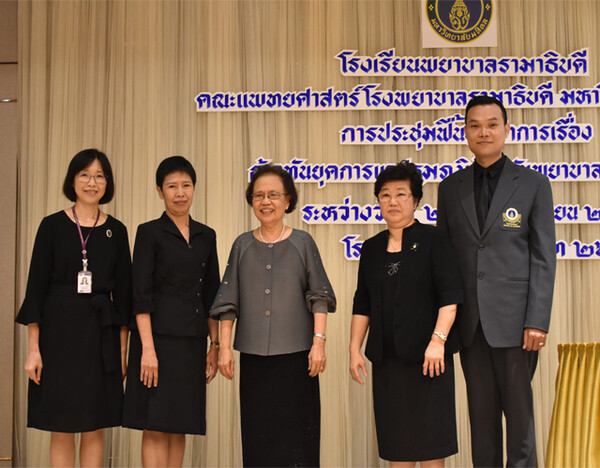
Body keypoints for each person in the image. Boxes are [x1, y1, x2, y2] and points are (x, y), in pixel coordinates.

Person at [436, 95, 557, 467]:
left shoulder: (534, 184)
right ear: (466, 132)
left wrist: (537, 319)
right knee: (481, 423)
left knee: (520, 422)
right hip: (471, 326)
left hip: (517, 324)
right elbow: (445, 260)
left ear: (507, 130)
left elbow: (543, 256)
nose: (483, 131)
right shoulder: (450, 187)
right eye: (474, 125)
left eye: (491, 124)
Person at [211, 164, 336, 467]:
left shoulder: (303, 242)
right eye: (259, 196)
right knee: (258, 438)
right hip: (254, 360)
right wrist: (224, 349)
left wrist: (319, 343)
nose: (266, 202)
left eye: (274, 195)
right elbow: (228, 303)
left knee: (297, 440)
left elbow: (319, 296)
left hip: (298, 359)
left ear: (288, 200)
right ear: (251, 201)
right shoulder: (241, 244)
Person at [16, 148, 132, 467]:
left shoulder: (117, 231)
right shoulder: (51, 226)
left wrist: (122, 353)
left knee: (95, 423)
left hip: (100, 336)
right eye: (84, 175)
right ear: (73, 180)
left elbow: (124, 298)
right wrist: (34, 350)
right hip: (57, 336)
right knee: (62, 425)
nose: (91, 182)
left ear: (107, 183)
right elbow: (35, 292)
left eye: (99, 176)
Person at [349, 161, 463, 467]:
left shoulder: (433, 240)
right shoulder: (371, 248)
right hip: (388, 362)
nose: (393, 202)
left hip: (429, 361)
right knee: (396, 448)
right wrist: (354, 349)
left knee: (429, 447)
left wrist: (438, 341)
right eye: (385, 195)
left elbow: (450, 295)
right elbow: (363, 302)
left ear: (415, 200)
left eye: (401, 194)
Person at [122, 156, 220, 468]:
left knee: (180, 425)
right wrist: (147, 351)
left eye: (186, 185)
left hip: (191, 342)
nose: (180, 193)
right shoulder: (149, 232)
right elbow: (141, 296)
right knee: (154, 424)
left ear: (194, 188)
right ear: (159, 191)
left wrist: (215, 346)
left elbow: (212, 295)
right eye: (172, 186)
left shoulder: (207, 235)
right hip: (155, 342)